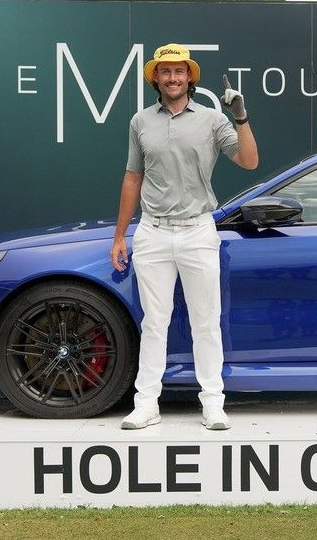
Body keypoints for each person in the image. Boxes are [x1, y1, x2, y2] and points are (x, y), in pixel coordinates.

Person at [110, 43, 258, 430]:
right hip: (152, 232)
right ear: (155, 78)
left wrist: (240, 118)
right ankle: (146, 404)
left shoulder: (212, 120)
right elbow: (133, 177)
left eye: (179, 71)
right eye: (165, 71)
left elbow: (249, 161)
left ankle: (213, 403)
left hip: (197, 231)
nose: (173, 78)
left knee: (206, 322)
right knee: (154, 323)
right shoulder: (141, 121)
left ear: (190, 77)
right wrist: (120, 235)